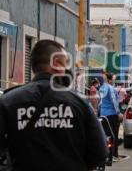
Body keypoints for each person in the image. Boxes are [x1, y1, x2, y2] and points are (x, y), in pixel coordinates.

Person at [0, 40, 108, 171]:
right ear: (56, 63)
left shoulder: (8, 101)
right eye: (65, 63)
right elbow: (100, 153)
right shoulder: (79, 102)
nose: (67, 69)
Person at [99, 73, 123, 162]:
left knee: (106, 135)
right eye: (113, 79)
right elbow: (114, 101)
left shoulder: (101, 88)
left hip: (103, 114)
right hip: (112, 114)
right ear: (110, 80)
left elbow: (100, 102)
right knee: (114, 135)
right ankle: (113, 155)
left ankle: (107, 154)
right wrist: (118, 113)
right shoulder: (111, 88)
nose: (114, 81)